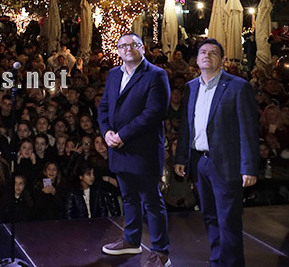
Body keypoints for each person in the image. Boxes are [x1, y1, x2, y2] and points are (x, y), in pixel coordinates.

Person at [175, 38, 259, 267]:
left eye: (213, 53)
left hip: (227, 164)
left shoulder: (238, 87)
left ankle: (231, 264)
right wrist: (182, 157)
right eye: (203, 52)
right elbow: (186, 126)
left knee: (228, 220)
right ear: (196, 59)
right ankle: (216, 260)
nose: (207, 56)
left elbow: (248, 130)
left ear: (222, 60)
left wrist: (249, 168)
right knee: (210, 216)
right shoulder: (191, 87)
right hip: (199, 162)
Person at [97, 32, 171, 267]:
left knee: (151, 201)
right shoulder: (113, 74)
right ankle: (131, 240)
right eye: (122, 45)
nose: (127, 48)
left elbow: (154, 112)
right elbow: (104, 107)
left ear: (143, 48)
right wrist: (107, 132)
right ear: (118, 50)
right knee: (128, 197)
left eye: (133, 44)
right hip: (118, 148)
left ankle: (160, 251)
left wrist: (123, 135)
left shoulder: (156, 75)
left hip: (143, 150)